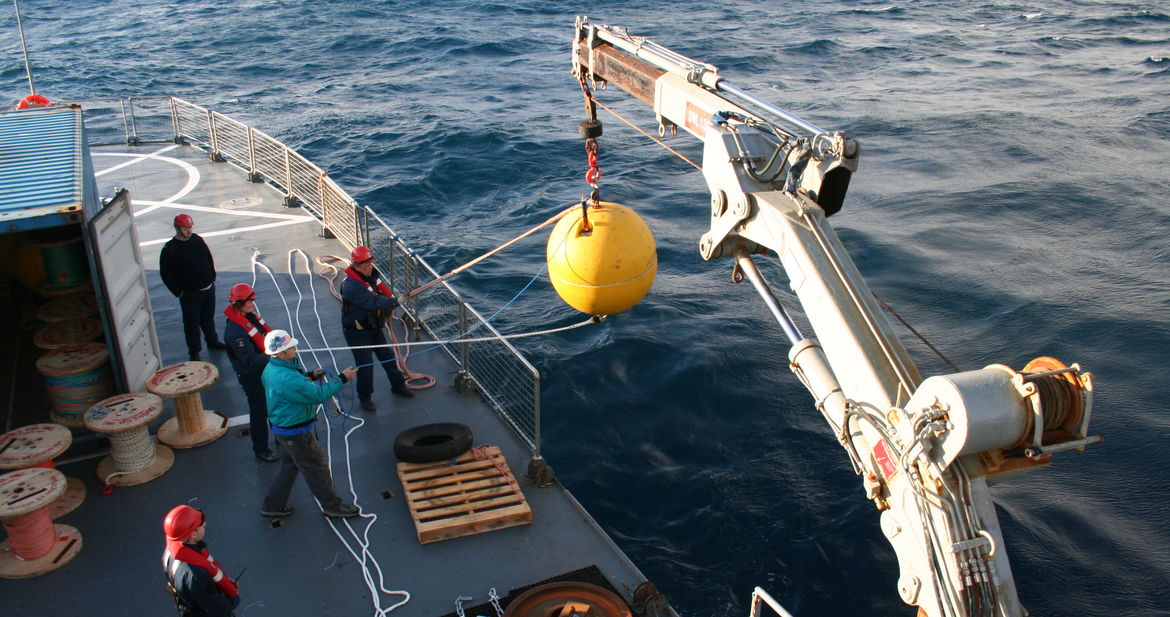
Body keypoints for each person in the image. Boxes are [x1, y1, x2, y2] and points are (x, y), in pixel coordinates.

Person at [260, 329, 361, 519]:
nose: (295, 349)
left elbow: (296, 382)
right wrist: (343, 378)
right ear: (281, 353)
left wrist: (310, 376)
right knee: (316, 468)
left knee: (290, 466)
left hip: (282, 428)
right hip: (296, 433)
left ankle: (272, 504)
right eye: (291, 347)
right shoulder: (286, 378)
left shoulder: (272, 369)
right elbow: (318, 395)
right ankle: (333, 506)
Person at [340, 245, 414, 413]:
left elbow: (379, 294)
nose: (369, 267)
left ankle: (398, 386)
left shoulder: (370, 277)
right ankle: (364, 397)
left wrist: (391, 302)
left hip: (373, 327)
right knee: (365, 366)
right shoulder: (351, 286)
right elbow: (372, 301)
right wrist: (397, 301)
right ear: (356, 266)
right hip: (356, 332)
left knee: (388, 358)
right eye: (365, 265)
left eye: (370, 263)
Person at [223, 283, 278, 462]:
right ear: (238, 303)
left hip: (266, 369)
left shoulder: (249, 317)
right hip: (251, 375)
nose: (252, 304)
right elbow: (248, 360)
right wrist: (274, 354)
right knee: (259, 409)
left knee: (274, 403)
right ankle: (261, 448)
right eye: (249, 301)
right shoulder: (235, 331)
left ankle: (279, 435)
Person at [160, 213, 227, 361]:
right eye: (185, 228)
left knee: (208, 319)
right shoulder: (170, 249)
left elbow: (208, 258)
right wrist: (179, 293)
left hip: (208, 290)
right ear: (177, 228)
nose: (189, 231)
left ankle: (212, 341)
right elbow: (166, 274)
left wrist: (212, 277)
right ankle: (194, 352)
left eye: (190, 228)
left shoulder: (197, 240)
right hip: (190, 295)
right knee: (192, 324)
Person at [162, 505, 240, 617]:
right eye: (201, 524)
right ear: (193, 534)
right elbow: (218, 607)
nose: (204, 524)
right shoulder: (196, 575)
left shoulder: (170, 551)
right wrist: (233, 599)